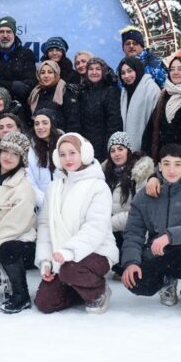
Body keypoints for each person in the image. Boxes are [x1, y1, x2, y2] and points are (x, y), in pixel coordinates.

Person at [121, 143, 181, 320]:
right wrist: (131, 262)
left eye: (177, 164)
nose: (172, 170)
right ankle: (167, 281)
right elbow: (133, 233)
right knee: (136, 282)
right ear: (159, 166)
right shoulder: (144, 195)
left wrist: (170, 236)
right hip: (159, 252)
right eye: (167, 164)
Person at [34, 134, 118, 314]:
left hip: (96, 252)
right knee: (45, 302)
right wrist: (46, 261)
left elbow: (95, 228)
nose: (67, 159)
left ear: (84, 153)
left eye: (72, 153)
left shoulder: (98, 187)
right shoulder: (54, 187)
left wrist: (69, 252)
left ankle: (98, 292)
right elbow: (45, 225)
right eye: (62, 154)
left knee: (71, 270)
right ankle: (77, 288)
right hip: (62, 259)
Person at [0, 131, 39, 313]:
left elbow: (11, 229)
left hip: (18, 242)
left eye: (15, 154)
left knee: (7, 249)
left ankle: (21, 295)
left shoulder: (24, 189)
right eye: (5, 151)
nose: (8, 157)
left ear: (22, 159)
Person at [104, 132, 155, 264]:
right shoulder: (105, 174)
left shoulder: (139, 174)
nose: (117, 154)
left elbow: (140, 212)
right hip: (111, 232)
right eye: (113, 150)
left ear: (128, 150)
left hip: (133, 233)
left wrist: (109, 223)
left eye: (120, 149)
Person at [0, 16, 37, 104]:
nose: (5, 35)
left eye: (9, 32)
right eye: (1, 32)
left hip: (20, 103)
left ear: (14, 34)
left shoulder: (27, 54)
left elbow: (29, 84)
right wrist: (12, 85)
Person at [77, 57, 123, 163]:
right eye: (91, 69)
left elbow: (114, 123)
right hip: (85, 144)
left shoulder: (111, 91)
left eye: (98, 69)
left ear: (103, 71)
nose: (94, 72)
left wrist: (108, 148)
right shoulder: (82, 91)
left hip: (103, 146)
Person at [119, 56, 162, 153]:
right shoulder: (125, 91)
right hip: (128, 147)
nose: (126, 76)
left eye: (130, 71)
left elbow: (155, 122)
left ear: (138, 70)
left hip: (147, 145)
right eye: (123, 73)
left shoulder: (151, 89)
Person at [28, 60, 81, 133]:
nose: (46, 76)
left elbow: (72, 121)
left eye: (50, 72)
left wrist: (66, 138)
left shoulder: (65, 91)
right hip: (39, 136)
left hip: (60, 136)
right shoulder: (35, 93)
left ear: (56, 74)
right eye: (42, 73)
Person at [28, 109, 64, 211]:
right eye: (37, 124)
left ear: (52, 124)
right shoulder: (30, 150)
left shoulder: (64, 145)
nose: (40, 127)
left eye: (45, 123)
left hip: (65, 204)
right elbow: (29, 182)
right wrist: (46, 202)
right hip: (42, 208)